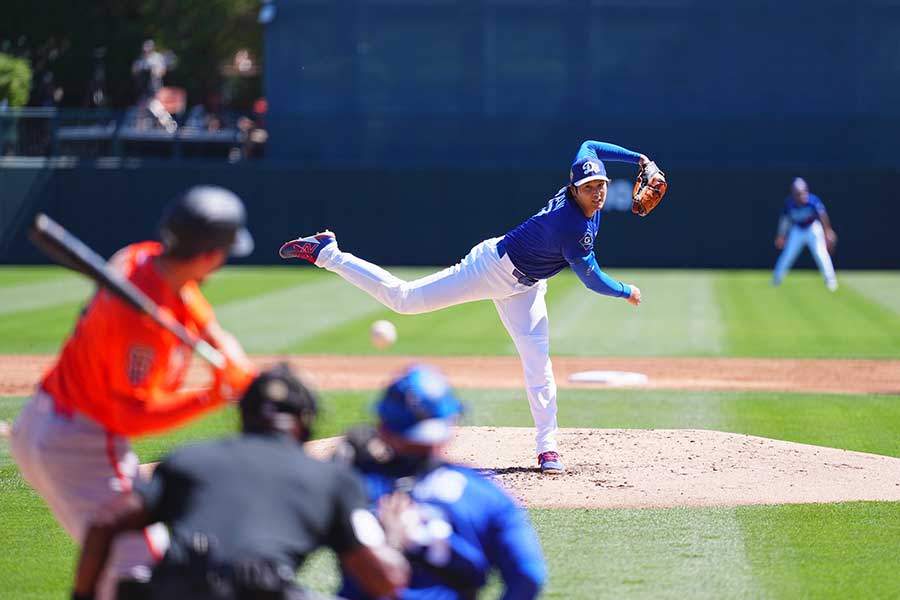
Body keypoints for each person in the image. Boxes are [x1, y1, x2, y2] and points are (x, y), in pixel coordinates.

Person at [279, 140, 655, 474]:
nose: (598, 193)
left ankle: (547, 447)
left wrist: (638, 158)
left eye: (602, 185)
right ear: (574, 189)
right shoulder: (571, 227)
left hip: (525, 285)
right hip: (490, 268)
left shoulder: (584, 187)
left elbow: (590, 146)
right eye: (590, 187)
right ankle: (327, 252)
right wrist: (626, 290)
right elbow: (591, 278)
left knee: (538, 361)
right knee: (405, 300)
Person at [10, 185, 258, 600]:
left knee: (129, 571)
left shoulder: (141, 257)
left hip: (48, 422)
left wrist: (219, 343)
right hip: (83, 446)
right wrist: (214, 396)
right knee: (146, 576)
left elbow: (185, 296)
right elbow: (131, 417)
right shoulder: (141, 332)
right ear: (211, 256)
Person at [71, 364, 409, 600]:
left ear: (243, 415)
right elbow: (385, 582)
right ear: (306, 421)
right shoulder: (331, 478)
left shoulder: (188, 458)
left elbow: (103, 522)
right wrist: (392, 537)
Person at [333, 364, 547, 600]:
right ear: (449, 426)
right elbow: (529, 576)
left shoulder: (353, 486)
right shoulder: (484, 494)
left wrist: (336, 471)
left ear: (383, 425)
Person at [772, 177, 839, 291]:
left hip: (812, 228)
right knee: (788, 255)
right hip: (797, 230)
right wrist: (781, 235)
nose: (801, 195)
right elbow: (785, 220)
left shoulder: (812, 201)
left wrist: (827, 231)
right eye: (798, 193)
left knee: (821, 254)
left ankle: (830, 280)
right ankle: (776, 279)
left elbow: (822, 215)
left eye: (802, 192)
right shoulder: (790, 203)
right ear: (793, 193)